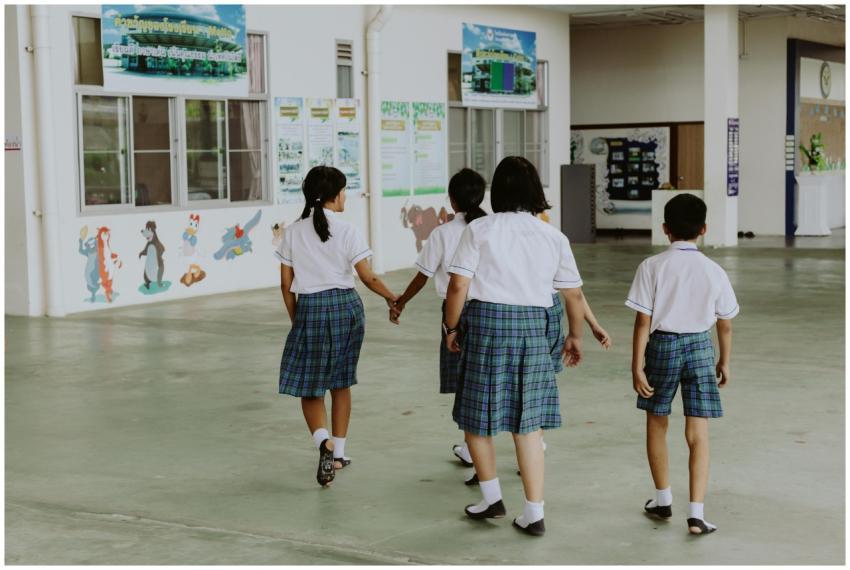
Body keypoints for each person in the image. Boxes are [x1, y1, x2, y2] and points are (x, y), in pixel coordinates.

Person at [443, 156, 595, 536]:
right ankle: (534, 512)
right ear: (535, 191)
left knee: (477, 415)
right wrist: (574, 336)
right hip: (534, 326)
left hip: (487, 324)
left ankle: (492, 497)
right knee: (527, 423)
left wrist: (451, 326)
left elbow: (458, 286)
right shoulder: (552, 235)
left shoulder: (480, 230)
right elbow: (573, 295)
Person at [276, 166, 397, 487]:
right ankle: (339, 454)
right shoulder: (348, 230)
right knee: (341, 382)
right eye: (344, 191)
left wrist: (297, 319)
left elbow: (286, 284)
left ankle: (323, 442)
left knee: (310, 386)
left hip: (311, 308)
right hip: (347, 308)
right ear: (336, 194)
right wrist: (392, 298)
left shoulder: (292, 232)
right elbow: (367, 276)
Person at [626, 193, 738, 535]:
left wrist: (636, 366)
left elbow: (643, 323)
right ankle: (697, 513)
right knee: (698, 433)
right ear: (703, 229)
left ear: (665, 229)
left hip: (662, 346)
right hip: (700, 349)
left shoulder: (652, 266)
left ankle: (662, 501)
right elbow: (725, 323)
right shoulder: (714, 270)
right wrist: (724, 361)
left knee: (657, 423)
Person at [389, 168, 487, 471]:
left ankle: (473, 447)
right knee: (493, 378)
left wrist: (400, 302)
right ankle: (531, 440)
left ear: (452, 200)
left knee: (465, 383)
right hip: (492, 309)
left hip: (455, 311)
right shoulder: (491, 227)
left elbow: (423, 276)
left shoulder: (443, 233)